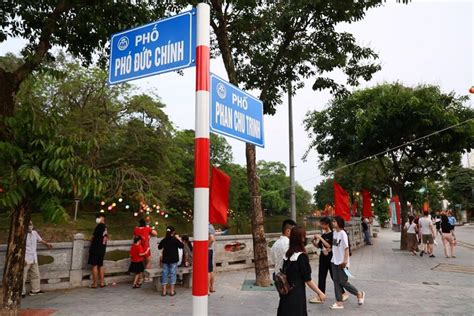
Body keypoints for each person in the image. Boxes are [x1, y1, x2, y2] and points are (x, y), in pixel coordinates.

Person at [277, 226, 326, 316]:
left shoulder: (287, 255)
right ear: (300, 239)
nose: (305, 239)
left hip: (285, 294)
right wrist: (320, 293)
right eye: (304, 236)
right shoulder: (301, 257)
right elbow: (308, 280)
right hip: (296, 295)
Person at [330, 216, 365, 310]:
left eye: (334, 221)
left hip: (342, 262)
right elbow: (334, 247)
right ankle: (339, 302)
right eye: (332, 221)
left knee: (343, 281)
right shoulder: (334, 233)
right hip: (334, 261)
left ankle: (358, 293)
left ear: (339, 223)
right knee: (336, 281)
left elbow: (346, 248)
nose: (333, 223)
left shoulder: (342, 233)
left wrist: (345, 261)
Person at [309, 217, 347, 304]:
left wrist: (321, 238)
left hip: (331, 259)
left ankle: (343, 292)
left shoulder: (333, 234)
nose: (321, 225)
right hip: (323, 258)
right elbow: (319, 246)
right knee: (321, 277)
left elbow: (329, 246)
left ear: (327, 224)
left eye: (322, 224)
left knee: (334, 277)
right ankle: (321, 295)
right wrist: (313, 242)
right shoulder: (323, 235)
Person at [22, 220, 53, 297]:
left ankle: (35, 290)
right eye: (29, 224)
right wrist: (22, 259)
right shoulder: (22, 234)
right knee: (22, 277)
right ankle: (21, 292)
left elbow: (40, 240)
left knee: (36, 275)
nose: (30, 226)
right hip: (25, 259)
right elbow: (19, 247)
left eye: (31, 224)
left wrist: (47, 244)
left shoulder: (34, 233)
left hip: (34, 258)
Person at [158, 226, 184, 296]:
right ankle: (172, 291)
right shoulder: (174, 239)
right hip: (173, 259)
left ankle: (164, 291)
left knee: (164, 274)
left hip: (165, 260)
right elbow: (182, 246)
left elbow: (159, 247)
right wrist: (179, 239)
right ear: (173, 232)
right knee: (173, 274)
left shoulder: (164, 239)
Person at [133, 218, 157, 282]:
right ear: (145, 223)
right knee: (149, 261)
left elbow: (134, 237)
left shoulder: (136, 229)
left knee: (140, 263)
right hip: (146, 247)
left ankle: (141, 278)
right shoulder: (147, 228)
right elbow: (155, 233)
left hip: (138, 248)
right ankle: (146, 277)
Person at [88, 213, 108, 288]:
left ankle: (95, 283)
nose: (97, 219)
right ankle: (102, 282)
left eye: (98, 217)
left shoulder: (99, 226)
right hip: (102, 248)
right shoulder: (105, 227)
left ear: (102, 218)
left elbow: (93, 237)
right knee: (101, 265)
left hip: (96, 248)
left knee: (94, 265)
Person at [208, 223, 216, 293]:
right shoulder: (211, 226)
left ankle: (207, 289)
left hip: (207, 250)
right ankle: (211, 287)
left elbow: (212, 239)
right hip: (210, 250)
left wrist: (205, 245)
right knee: (210, 270)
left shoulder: (207, 226)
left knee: (207, 271)